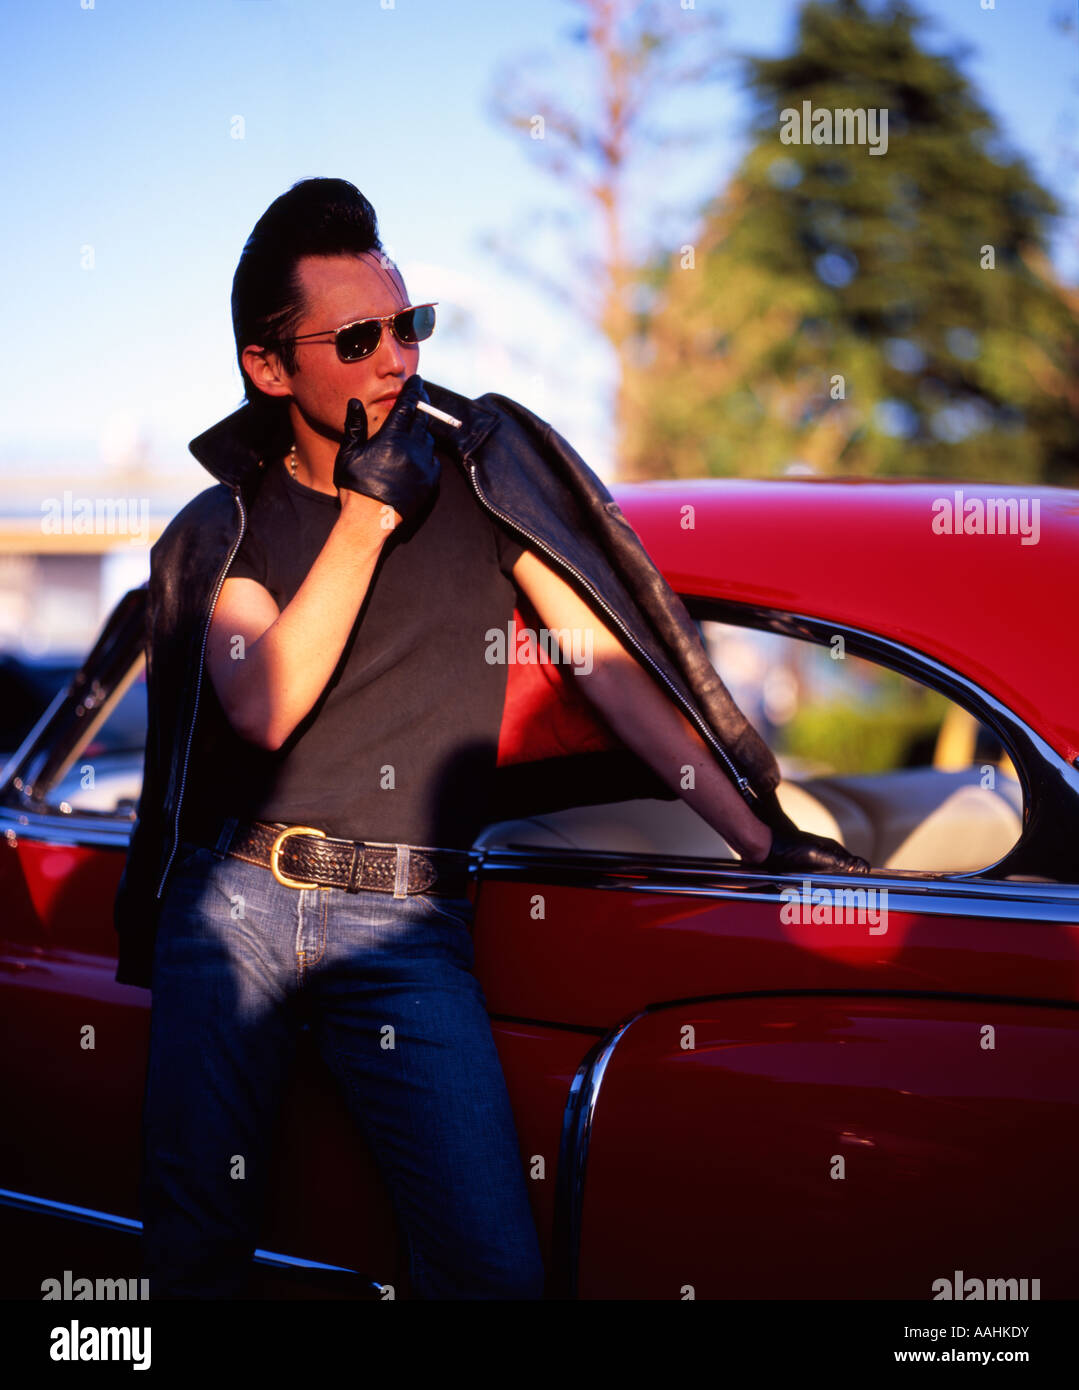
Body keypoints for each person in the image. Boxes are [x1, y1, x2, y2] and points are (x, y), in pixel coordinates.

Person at [131, 177, 868, 1302]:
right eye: (359, 337)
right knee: (197, 1259)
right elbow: (263, 702)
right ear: (268, 369)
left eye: (408, 325)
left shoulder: (477, 477)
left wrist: (759, 838)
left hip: (407, 922)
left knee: (490, 1273)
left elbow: (609, 666)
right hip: (235, 907)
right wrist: (368, 519)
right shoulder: (225, 524)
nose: (396, 358)